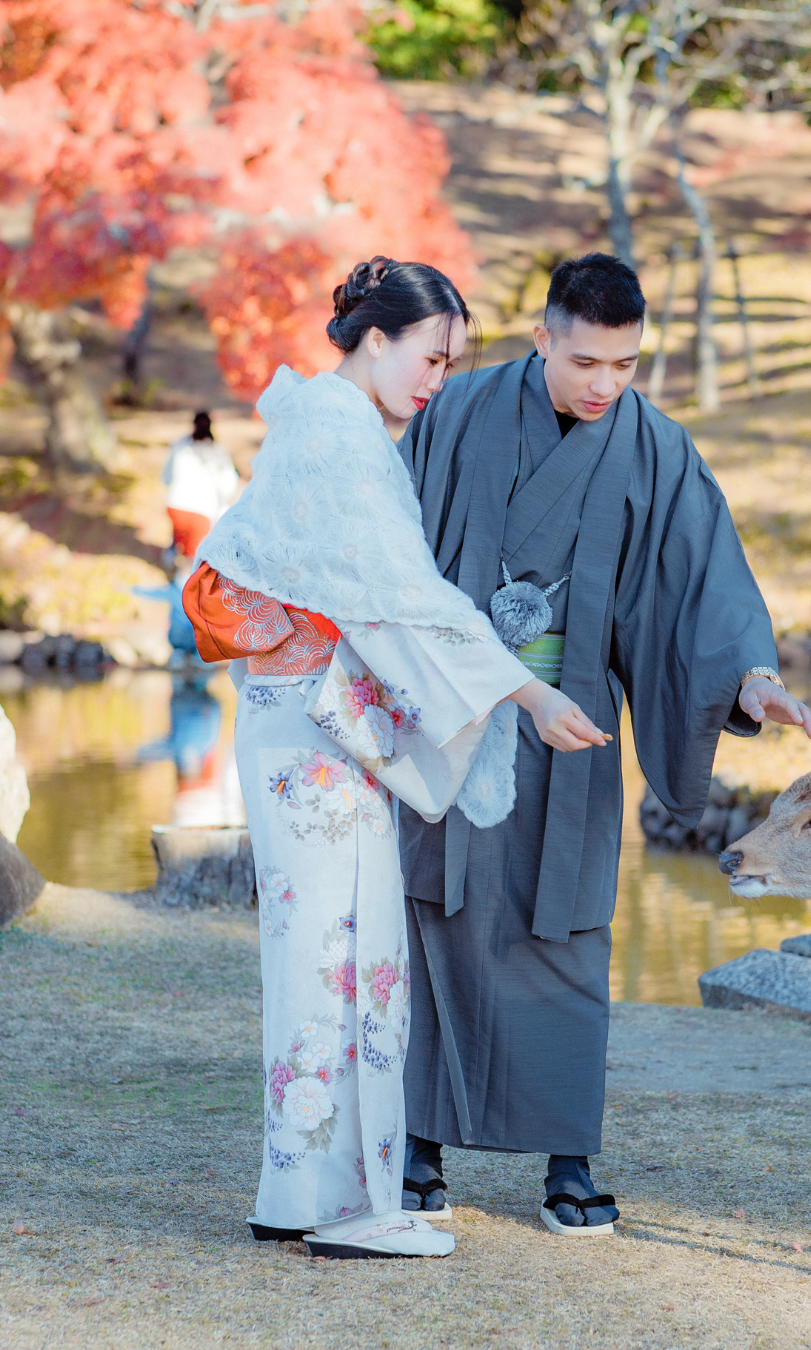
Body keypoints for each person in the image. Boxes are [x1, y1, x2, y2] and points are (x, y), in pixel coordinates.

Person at [181, 258, 604, 1258]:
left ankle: (305, 1192)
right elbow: (404, 598)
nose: (437, 380)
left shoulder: (334, 430)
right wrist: (530, 690)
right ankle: (343, 1205)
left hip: (309, 724)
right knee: (345, 956)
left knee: (333, 953)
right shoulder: (335, 436)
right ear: (376, 337)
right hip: (315, 727)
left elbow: (381, 596)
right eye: (429, 356)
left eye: (450, 365)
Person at [397, 252, 811, 1235]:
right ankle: (417, 1143)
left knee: (569, 934)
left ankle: (568, 1159)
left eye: (625, 365)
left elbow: (701, 585)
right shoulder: (450, 418)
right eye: (585, 360)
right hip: (452, 722)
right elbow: (392, 563)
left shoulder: (656, 450)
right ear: (541, 336)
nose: (604, 385)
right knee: (434, 923)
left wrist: (747, 678)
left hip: (573, 729)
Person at [162, 411, 239, 565]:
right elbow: (228, 486)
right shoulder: (218, 452)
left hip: (176, 506)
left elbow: (166, 477)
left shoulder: (180, 446)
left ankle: (174, 555)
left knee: (184, 544)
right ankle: (180, 585)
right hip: (201, 511)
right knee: (193, 560)